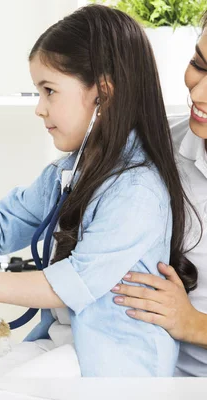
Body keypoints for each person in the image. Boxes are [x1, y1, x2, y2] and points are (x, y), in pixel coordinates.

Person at [0, 5, 198, 377]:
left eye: (49, 91)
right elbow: (9, 219)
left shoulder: (138, 190)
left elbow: (72, 283)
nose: (40, 109)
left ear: (102, 94)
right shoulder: (70, 169)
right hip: (65, 344)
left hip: (113, 362)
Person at [113, 10, 207, 377]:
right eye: (198, 65)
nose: (197, 93)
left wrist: (192, 323)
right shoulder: (154, 145)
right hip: (139, 371)